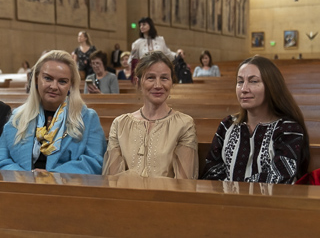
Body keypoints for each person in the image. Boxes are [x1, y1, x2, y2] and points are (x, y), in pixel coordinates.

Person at [0, 50, 106, 174]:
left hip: (66, 189)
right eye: (48, 78)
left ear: (71, 85)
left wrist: (53, 177)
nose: (53, 86)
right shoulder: (18, 116)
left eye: (62, 81)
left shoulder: (87, 118)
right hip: (22, 187)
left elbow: (95, 162)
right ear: (37, 79)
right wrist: (26, 177)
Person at [200, 56, 309, 184]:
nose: (244, 89)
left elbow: (280, 177)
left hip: (270, 203)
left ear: (271, 86)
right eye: (240, 82)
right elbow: (211, 170)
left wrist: (233, 190)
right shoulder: (228, 125)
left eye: (253, 81)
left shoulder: (288, 130)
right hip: (225, 201)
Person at [102, 51, 198, 179]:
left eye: (164, 78)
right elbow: (113, 180)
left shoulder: (184, 125)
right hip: (126, 197)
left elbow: (184, 183)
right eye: (150, 78)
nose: (158, 85)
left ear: (171, 82)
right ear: (138, 82)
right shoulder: (120, 124)